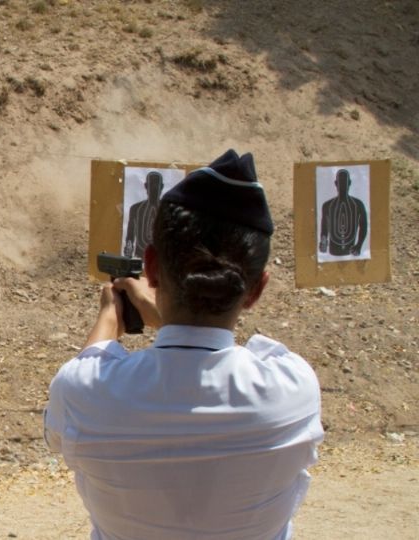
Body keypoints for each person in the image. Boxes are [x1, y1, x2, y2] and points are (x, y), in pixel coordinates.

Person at [45, 150, 323, 540]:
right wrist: (168, 317)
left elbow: (84, 375)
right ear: (257, 289)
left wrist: (110, 316)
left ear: (152, 267)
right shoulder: (294, 387)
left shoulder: (84, 393)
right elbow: (224, 356)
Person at [319, 168, 368, 257]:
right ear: (336, 183)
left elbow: (364, 226)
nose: (342, 185)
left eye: (344, 182)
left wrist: (359, 245)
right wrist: (323, 241)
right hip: (333, 251)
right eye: (340, 181)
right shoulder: (327, 205)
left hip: (351, 251)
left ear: (349, 183)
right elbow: (324, 227)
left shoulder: (358, 204)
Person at [123, 170, 163, 258]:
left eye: (157, 186)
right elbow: (130, 235)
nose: (154, 189)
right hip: (140, 255)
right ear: (146, 186)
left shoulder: (167, 210)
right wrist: (128, 248)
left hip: (161, 257)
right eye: (152, 186)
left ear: (162, 187)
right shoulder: (135, 209)